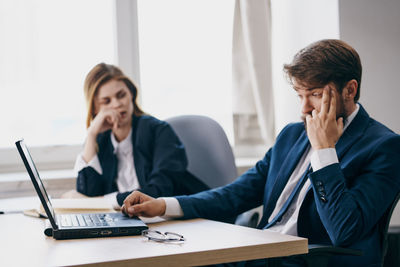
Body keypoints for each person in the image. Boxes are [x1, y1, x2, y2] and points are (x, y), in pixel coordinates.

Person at [121, 39, 400, 266]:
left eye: (314, 94)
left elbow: (344, 230)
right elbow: (237, 193)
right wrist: (164, 205)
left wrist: (325, 151)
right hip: (262, 252)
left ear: (350, 90)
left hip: (309, 260)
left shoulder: (384, 147)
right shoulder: (292, 135)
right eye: (299, 95)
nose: (303, 108)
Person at [74, 63, 209, 208]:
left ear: (131, 94)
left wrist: (100, 201)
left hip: (181, 221)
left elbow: (159, 192)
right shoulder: (101, 141)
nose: (117, 104)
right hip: (132, 223)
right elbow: (88, 196)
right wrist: (91, 135)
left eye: (121, 95)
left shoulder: (159, 131)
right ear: (95, 108)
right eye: (106, 101)